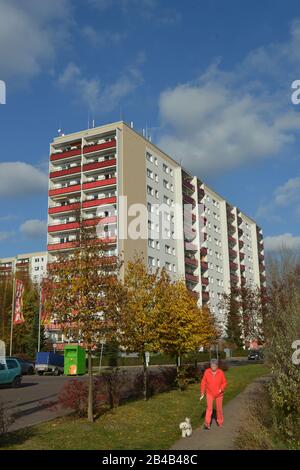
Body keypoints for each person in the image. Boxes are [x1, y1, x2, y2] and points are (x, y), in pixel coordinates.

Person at [200, 358, 227, 430]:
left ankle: (220, 422)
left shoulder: (220, 372)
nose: (213, 367)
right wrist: (202, 392)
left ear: (217, 366)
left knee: (219, 409)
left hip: (219, 394)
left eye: (214, 365)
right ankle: (207, 424)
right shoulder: (207, 372)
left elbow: (224, 383)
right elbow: (203, 382)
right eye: (212, 365)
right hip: (209, 393)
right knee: (209, 408)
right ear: (210, 365)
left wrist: (221, 389)